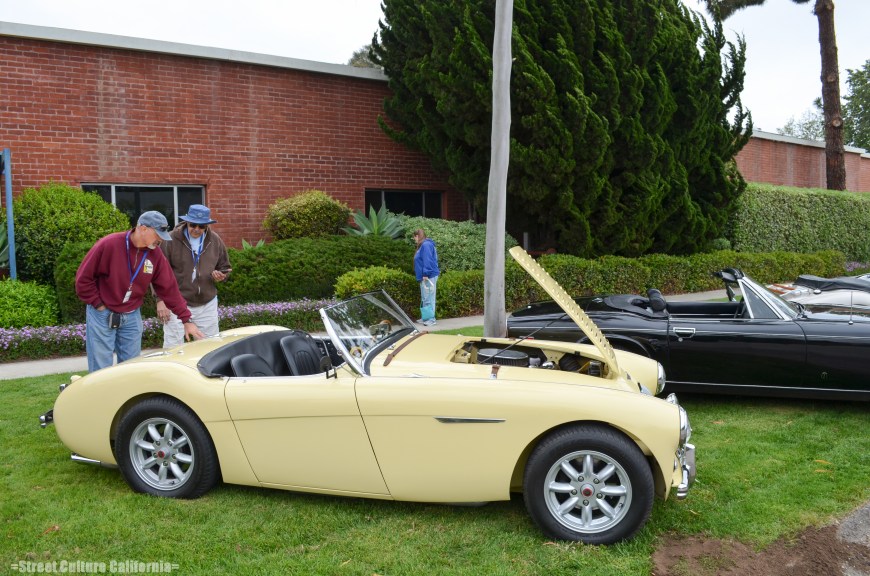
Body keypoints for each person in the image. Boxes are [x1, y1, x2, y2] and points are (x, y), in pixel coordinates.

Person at [75, 211, 205, 372]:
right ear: (143, 229)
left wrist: (186, 320)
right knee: (101, 367)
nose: (160, 240)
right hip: (102, 313)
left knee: (131, 367)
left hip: (131, 315)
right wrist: (98, 305)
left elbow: (169, 289)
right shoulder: (109, 244)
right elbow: (83, 279)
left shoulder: (155, 254)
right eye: (157, 235)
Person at [155, 204, 231, 348]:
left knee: (209, 346)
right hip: (176, 301)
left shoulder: (215, 240)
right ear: (187, 222)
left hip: (207, 303)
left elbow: (225, 267)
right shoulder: (170, 239)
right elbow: (158, 272)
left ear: (207, 225)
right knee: (173, 347)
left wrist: (221, 276)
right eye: (193, 225)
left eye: (201, 226)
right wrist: (160, 300)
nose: (197, 229)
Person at [413, 228, 440, 326]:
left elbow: (427, 260)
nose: (414, 240)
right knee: (425, 297)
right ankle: (426, 317)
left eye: (414, 238)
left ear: (417, 236)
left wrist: (426, 274)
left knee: (429, 297)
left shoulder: (426, 245)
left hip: (428, 276)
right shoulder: (424, 245)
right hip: (424, 276)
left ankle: (431, 319)